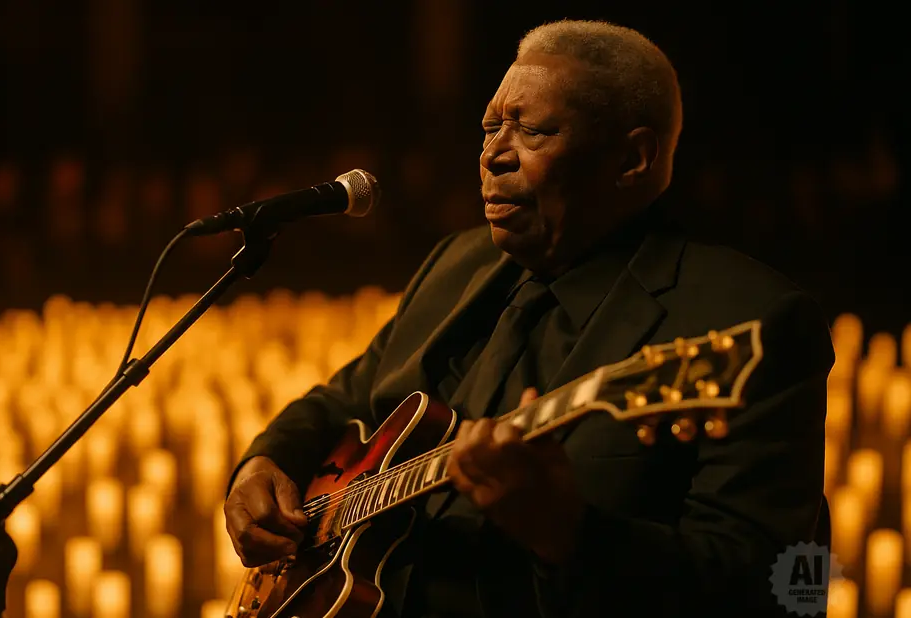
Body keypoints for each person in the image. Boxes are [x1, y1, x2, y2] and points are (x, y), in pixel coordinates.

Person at [224, 19, 833, 618]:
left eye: (533, 131)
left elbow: (769, 586)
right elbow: (344, 399)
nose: (492, 155)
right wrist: (265, 462)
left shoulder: (750, 319)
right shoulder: (456, 263)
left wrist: (569, 534)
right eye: (491, 128)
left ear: (633, 158)